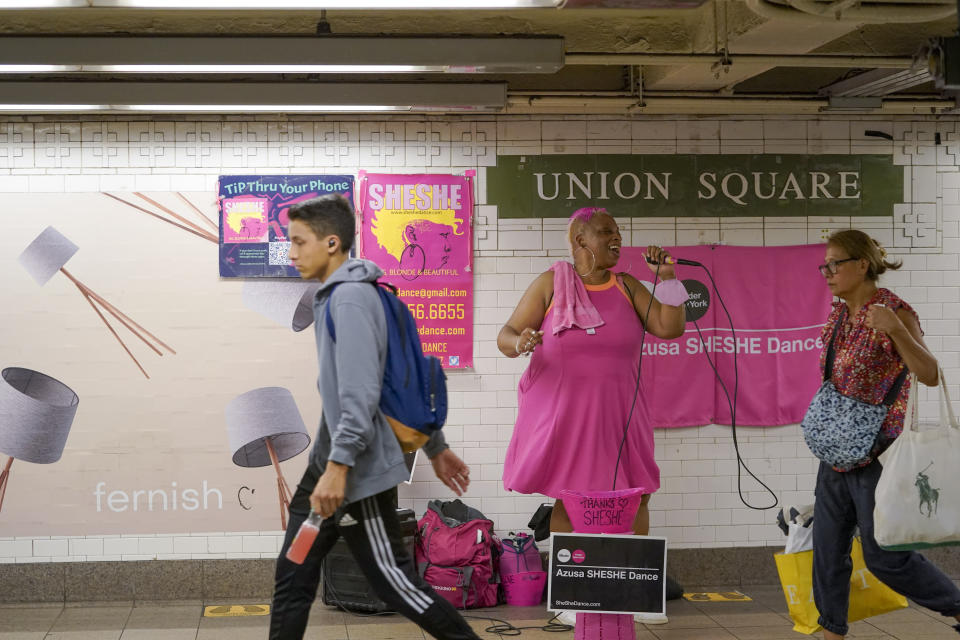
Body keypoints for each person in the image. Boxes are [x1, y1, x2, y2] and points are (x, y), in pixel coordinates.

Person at [269, 194, 480, 640]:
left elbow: (363, 394)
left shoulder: (349, 300)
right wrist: (436, 446)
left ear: (330, 243)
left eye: (299, 241)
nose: (291, 252)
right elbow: (401, 374)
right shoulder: (348, 295)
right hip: (328, 465)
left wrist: (339, 468)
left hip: (353, 471)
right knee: (293, 578)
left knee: (397, 583)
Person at [496, 207, 687, 624]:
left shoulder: (628, 286)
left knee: (636, 494)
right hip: (566, 412)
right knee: (571, 495)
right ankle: (573, 593)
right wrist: (521, 341)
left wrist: (669, 279)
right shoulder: (551, 283)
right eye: (605, 232)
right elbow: (506, 335)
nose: (616, 239)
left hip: (622, 412)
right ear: (581, 240)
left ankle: (634, 593)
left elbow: (670, 328)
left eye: (618, 232)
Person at [811, 229, 960, 640]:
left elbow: (929, 374)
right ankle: (831, 632)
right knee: (827, 554)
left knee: (884, 558)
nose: (827, 272)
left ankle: (957, 606)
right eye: (825, 264)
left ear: (862, 265)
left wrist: (895, 329)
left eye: (835, 263)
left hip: (880, 456)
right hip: (837, 451)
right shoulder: (839, 313)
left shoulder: (895, 311)